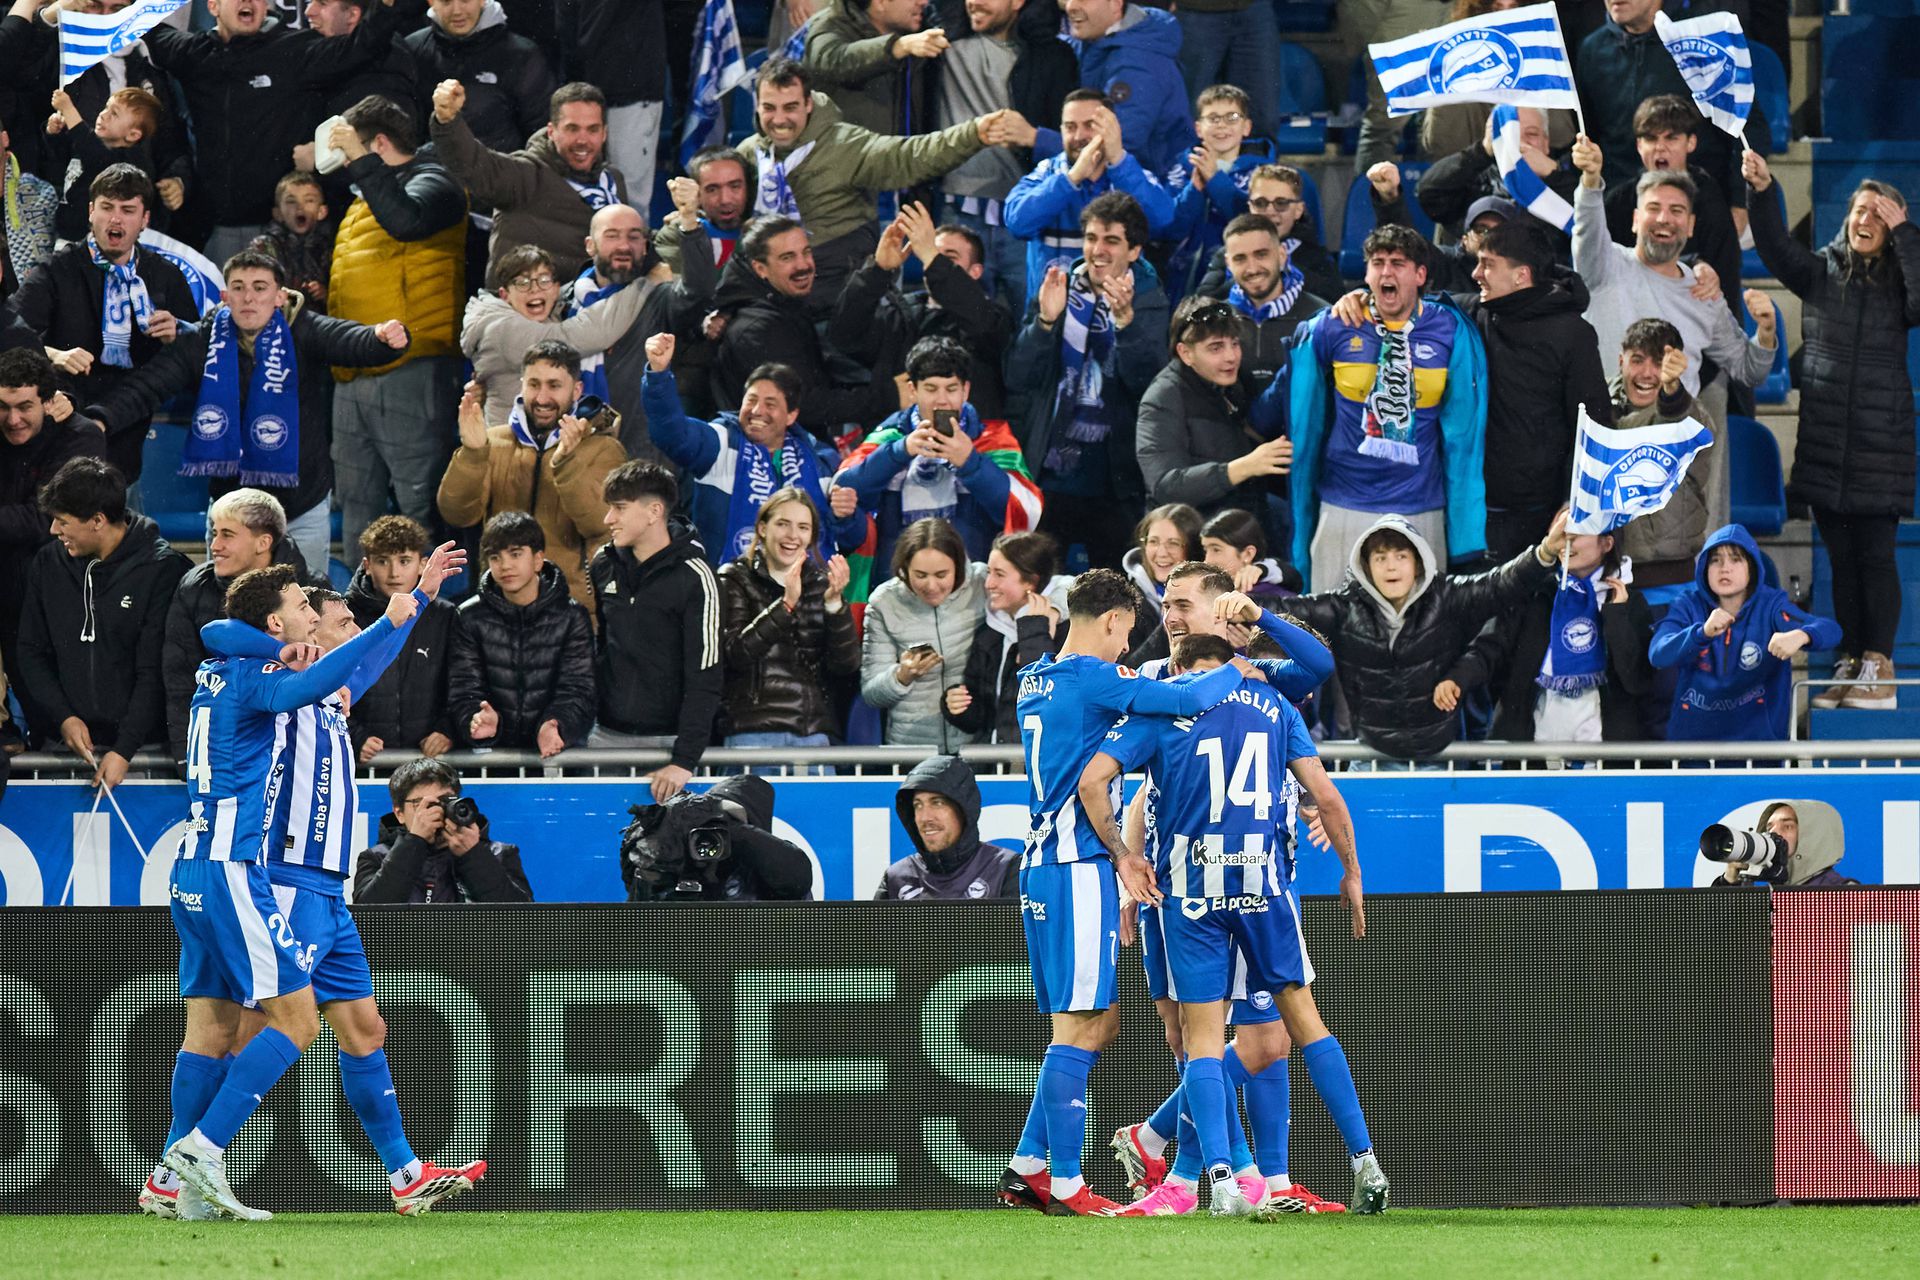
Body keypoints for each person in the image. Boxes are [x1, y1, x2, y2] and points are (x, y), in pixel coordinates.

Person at [181, 548, 487, 1216]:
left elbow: (371, 660)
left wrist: (420, 601)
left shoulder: (324, 686)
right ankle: (191, 1161)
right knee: (261, 1027)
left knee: (365, 1027)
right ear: (303, 628)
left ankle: (404, 1174)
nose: (353, 629)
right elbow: (230, 634)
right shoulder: (281, 681)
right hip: (286, 875)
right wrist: (378, 624)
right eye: (339, 620)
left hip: (329, 885)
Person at [1078, 631, 1384, 1215]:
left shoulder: (1167, 706)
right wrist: (1352, 871)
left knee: (1203, 1041)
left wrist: (1123, 858)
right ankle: (1363, 1162)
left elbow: (1095, 781)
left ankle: (1218, 1180)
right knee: (1305, 1026)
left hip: (1192, 896)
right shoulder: (1274, 705)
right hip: (1265, 892)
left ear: (1182, 668)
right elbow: (1325, 794)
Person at [998, 567, 1247, 1217]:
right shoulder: (1095, 679)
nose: (1126, 646)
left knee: (1096, 1023)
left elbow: (1064, 681)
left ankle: (1028, 1163)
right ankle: (1066, 1183)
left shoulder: (1035, 676)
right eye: (1126, 632)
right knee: (1080, 1028)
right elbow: (1190, 698)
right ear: (1111, 620)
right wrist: (1239, 666)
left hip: (1041, 866)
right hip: (1078, 866)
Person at [83, 246, 411, 578]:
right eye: (238, 288)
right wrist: (100, 418)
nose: (249, 298)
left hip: (302, 504)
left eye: (260, 287)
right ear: (225, 296)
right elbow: (147, 386)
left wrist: (381, 339)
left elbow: (350, 340)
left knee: (306, 602)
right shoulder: (203, 340)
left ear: (280, 296)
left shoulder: (303, 328)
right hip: (232, 511)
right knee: (224, 600)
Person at [1745, 155, 1920, 712]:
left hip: (1880, 446)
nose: (1865, 219)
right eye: (1859, 210)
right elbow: (1775, 248)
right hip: (1824, 444)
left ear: (1892, 227)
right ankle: (1850, 659)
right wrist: (1762, 191)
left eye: (1879, 214)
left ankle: (1879, 667)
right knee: (1841, 561)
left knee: (1876, 557)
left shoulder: (1901, 282)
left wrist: (1907, 234)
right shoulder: (1820, 272)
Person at [1571, 136, 1776, 531]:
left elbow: (1749, 370)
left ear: (1691, 225)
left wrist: (1766, 332)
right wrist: (1591, 182)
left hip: (1671, 469)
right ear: (1635, 219)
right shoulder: (1603, 266)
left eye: (1676, 211)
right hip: (1605, 454)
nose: (1664, 219)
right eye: (1654, 209)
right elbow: (1587, 232)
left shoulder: (1704, 294)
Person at [1287, 224, 1488, 590]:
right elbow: (1301, 406)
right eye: (1377, 263)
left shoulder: (1449, 329)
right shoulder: (1334, 325)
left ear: (1420, 275)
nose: (1386, 272)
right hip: (1343, 501)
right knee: (1329, 621)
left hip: (1420, 504)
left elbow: (1462, 434)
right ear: (1366, 274)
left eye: (1398, 263)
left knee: (1422, 623)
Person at [1274, 511, 1569, 760]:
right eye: (1380, 558)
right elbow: (1287, 610)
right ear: (1366, 567)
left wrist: (1545, 551)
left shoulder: (1446, 596)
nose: (1391, 565)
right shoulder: (1345, 607)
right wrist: (1249, 598)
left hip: (1440, 759)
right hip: (1370, 757)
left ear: (1418, 564)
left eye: (1401, 556)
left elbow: (1500, 584)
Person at [729, 56, 1018, 307]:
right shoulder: (748, 154)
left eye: (790, 107)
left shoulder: (846, 144)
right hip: (771, 291)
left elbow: (911, 156)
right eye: (769, 108)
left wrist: (972, 135)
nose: (779, 119)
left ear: (808, 104)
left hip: (838, 291)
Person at [325, 93, 471, 564]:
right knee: (356, 506)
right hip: (354, 372)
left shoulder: (438, 181)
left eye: (350, 149)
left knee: (419, 505)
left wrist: (361, 160)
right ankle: (356, 606)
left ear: (378, 145)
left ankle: (433, 605)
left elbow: (406, 221)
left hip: (413, 370)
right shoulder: (364, 196)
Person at [142, 0, 402, 261]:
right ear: (213, 7)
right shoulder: (193, 53)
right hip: (211, 230)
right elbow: (146, 31)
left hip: (280, 229)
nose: (248, 2)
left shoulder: (294, 50)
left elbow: (361, 46)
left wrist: (386, 8)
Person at [1007, 191, 1169, 570]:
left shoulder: (1150, 301)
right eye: (1091, 238)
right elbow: (1019, 374)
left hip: (1115, 479)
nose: (1098, 250)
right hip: (1051, 471)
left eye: (1111, 240)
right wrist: (1045, 322)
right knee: (1036, 583)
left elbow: (1148, 386)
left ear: (1134, 251)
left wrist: (1126, 324)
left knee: (1112, 591)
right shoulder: (1058, 288)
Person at [12, 164, 198, 484]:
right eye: (107, 207)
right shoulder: (55, 270)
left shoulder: (166, 275)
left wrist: (178, 332)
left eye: (127, 210)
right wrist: (54, 355)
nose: (116, 219)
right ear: (90, 212)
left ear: (145, 220)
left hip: (129, 423)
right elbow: (10, 338)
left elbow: (195, 353)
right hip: (64, 419)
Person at [15, 456, 187, 785]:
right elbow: (30, 651)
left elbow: (155, 669)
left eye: (63, 522)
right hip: (63, 748)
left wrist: (125, 749)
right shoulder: (48, 563)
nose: (53, 531)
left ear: (97, 520)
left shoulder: (163, 570)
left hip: (144, 753)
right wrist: (64, 717)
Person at [437, 340, 627, 610]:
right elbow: (457, 514)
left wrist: (566, 464)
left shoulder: (604, 449)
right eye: (534, 384)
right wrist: (473, 454)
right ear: (522, 385)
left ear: (577, 390)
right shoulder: (493, 441)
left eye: (554, 386)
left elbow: (600, 525)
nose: (542, 398)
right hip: (498, 606)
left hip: (572, 609)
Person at [837, 334, 1042, 579]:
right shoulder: (891, 437)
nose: (941, 400)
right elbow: (843, 492)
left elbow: (1025, 511)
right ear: (913, 390)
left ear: (965, 390)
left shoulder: (991, 439)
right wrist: (900, 452)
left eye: (951, 389)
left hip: (970, 585)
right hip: (896, 583)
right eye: (931, 389)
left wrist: (970, 463)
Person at [643, 334, 854, 566]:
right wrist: (658, 375)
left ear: (791, 416)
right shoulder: (722, 442)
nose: (757, 410)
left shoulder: (819, 460)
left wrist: (846, 516)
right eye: (751, 400)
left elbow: (851, 537)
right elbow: (672, 433)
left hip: (803, 584)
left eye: (770, 404)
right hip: (726, 581)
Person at [924, 0, 1077, 302]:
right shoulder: (939, 45)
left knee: (1035, 318)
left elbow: (1075, 144)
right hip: (957, 212)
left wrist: (1034, 137)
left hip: (1025, 216)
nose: (974, 2)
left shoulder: (1054, 56)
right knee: (957, 318)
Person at [590, 461, 724, 802]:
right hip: (607, 738)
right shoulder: (603, 564)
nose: (608, 519)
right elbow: (602, 647)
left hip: (672, 747)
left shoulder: (697, 577)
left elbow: (706, 675)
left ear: (654, 511)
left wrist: (684, 759)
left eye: (619, 508)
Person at [1452, 526, 1658, 743]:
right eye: (1561, 532)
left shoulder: (1629, 603)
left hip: (1602, 755)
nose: (1566, 540)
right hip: (1532, 753)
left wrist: (1616, 615)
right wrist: (1456, 678)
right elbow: (1489, 646)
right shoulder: (1535, 594)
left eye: (1578, 533)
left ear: (1607, 544)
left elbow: (1637, 680)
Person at [563, 188, 719, 461]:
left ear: (645, 246)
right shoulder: (563, 302)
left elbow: (698, 292)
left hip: (641, 462)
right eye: (612, 235)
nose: (624, 246)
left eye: (634, 237)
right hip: (571, 457)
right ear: (590, 245)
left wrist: (690, 223)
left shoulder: (659, 299)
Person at [159, 487, 314, 764]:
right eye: (214, 533)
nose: (215, 545)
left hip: (297, 753)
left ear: (263, 542)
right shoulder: (194, 588)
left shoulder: (310, 588)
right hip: (221, 753)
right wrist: (188, 754)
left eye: (227, 535)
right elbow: (180, 680)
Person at [708, 215, 902, 433]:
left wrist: (879, 269)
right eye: (787, 257)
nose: (803, 265)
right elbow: (804, 405)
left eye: (806, 252)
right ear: (760, 269)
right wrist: (889, 396)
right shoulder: (758, 328)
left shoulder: (786, 304)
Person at [1649, 524, 1841, 742]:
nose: (1724, 568)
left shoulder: (1772, 606)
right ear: (1704, 568)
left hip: (1758, 749)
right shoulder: (1688, 605)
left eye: (1735, 559)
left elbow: (1831, 630)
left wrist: (1802, 635)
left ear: (1752, 567)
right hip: (1693, 749)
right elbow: (1658, 654)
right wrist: (1701, 633)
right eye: (1715, 560)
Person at [827, 203, 1016, 418]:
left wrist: (934, 260)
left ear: (976, 271)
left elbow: (982, 323)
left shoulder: (992, 317)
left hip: (970, 436)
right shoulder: (899, 314)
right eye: (929, 254)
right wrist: (877, 271)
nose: (931, 262)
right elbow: (844, 336)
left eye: (948, 258)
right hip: (899, 435)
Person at [430, 79, 628, 281]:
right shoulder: (526, 173)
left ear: (604, 134)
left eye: (592, 129)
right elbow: (475, 164)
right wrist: (447, 121)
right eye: (572, 129)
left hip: (592, 296)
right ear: (551, 131)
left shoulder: (613, 181)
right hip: (527, 298)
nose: (582, 140)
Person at [1575, 0, 1754, 217]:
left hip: (1700, 206)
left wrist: (1740, 203)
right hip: (1618, 207)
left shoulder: (1700, 40)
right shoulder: (1592, 50)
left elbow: (1746, 126)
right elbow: (1589, 134)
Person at [716, 487, 861, 755]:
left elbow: (846, 665)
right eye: (783, 524)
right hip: (751, 730)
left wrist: (835, 605)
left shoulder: (821, 585)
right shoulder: (734, 578)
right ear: (762, 528)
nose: (793, 535)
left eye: (803, 527)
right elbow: (734, 654)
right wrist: (786, 605)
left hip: (812, 733)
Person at [0, 347, 105, 714]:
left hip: (60, 594)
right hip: (8, 588)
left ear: (48, 401)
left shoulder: (80, 437)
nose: (13, 419)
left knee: (56, 710)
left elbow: (48, 519)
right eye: (3, 407)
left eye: (24, 407)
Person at [1136, 296, 1291, 544]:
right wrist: (1244, 467)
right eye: (1216, 347)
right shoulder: (1163, 397)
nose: (1231, 356)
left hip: (1238, 534)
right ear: (1185, 353)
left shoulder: (1236, 382)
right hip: (1189, 544)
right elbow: (1166, 486)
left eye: (1235, 343)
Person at [1001, 90, 1176, 302]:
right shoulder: (1047, 172)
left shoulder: (1130, 173)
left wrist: (1119, 163)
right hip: (1054, 312)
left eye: (1090, 125)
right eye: (1070, 127)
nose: (1078, 137)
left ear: (1112, 128)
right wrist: (1071, 178)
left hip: (1119, 310)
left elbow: (1163, 221)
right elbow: (1017, 223)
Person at [447, 511, 596, 755]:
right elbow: (464, 689)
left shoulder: (572, 616)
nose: (505, 565)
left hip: (556, 756)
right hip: (492, 759)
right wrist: (475, 719)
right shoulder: (468, 616)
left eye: (515, 554)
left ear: (538, 559)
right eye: (495, 557)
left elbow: (579, 690)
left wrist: (556, 725)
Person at [462, 242, 653, 427]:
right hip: (510, 442)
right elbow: (584, 334)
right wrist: (649, 284)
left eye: (544, 280)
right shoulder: (501, 329)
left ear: (555, 288)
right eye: (522, 283)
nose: (534, 289)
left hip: (547, 439)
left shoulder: (548, 312)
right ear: (505, 295)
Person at [859, 516, 988, 749]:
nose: (931, 586)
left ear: (958, 566)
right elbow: (871, 693)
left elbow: (1051, 585)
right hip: (912, 750)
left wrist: (1052, 610)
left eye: (941, 575)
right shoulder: (884, 603)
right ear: (904, 568)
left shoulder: (982, 583)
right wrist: (902, 676)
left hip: (976, 747)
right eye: (920, 575)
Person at [1603, 95, 1742, 309]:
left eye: (1671, 138)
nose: (1660, 147)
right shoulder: (1618, 202)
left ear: (1691, 142)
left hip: (1695, 310)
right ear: (1639, 145)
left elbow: (1725, 274)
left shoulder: (1710, 200)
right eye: (1651, 139)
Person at [343, 515, 458, 763]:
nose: (394, 572)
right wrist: (354, 735)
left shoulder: (445, 616)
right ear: (367, 565)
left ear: (422, 564)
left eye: (404, 561)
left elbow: (461, 680)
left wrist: (447, 729)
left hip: (430, 761)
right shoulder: (343, 615)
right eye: (382, 561)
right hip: (362, 762)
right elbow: (328, 683)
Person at [942, 529, 1067, 744]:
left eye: (999, 574)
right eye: (989, 572)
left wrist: (1034, 633)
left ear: (1031, 582)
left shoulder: (1065, 631)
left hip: (1039, 758)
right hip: (993, 759)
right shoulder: (990, 632)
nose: (988, 583)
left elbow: (1046, 697)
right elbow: (982, 718)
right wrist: (957, 706)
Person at [1610, 320, 1707, 593]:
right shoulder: (1597, 405)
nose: (1647, 373)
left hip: (1672, 583)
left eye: (1659, 363)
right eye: (1638, 360)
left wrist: (1672, 392)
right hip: (1606, 580)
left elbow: (1671, 422)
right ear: (1621, 361)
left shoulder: (1690, 416)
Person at [354, 756, 536, 903]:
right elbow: (369, 918)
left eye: (444, 801)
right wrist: (414, 843)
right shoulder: (375, 858)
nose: (436, 811)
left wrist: (473, 855)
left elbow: (522, 922)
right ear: (399, 813)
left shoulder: (499, 854)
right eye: (421, 804)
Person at [403, 0, 556, 158]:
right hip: (430, 167)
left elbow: (540, 131)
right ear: (431, 2)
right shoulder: (413, 49)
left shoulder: (521, 55)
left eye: (465, 0)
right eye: (446, 1)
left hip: (503, 168)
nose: (457, 11)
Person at [555, 0, 666, 213]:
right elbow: (565, 27)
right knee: (577, 191)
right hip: (581, 92)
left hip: (632, 92)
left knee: (629, 198)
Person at [1058, 0, 1189, 175]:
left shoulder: (1138, 66)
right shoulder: (1104, 36)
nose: (1071, 6)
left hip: (1152, 178)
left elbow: (1116, 145)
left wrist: (1036, 138)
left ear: (1115, 4)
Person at [1414, 106, 1577, 243]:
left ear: (1546, 143)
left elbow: (1584, 222)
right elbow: (1429, 194)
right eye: (1510, 134)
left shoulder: (1565, 179)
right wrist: (1482, 151)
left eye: (1531, 134)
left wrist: (1553, 174)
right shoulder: (1477, 182)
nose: (1520, 143)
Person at [1193, 164, 1344, 308]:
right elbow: (1202, 304)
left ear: (1299, 210)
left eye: (1281, 203)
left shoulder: (1317, 257)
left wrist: (1284, 270)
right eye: (1260, 203)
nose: (1270, 212)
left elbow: (1335, 303)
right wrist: (1244, 276)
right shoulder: (1229, 253)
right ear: (1250, 206)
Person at [874, 753, 1019, 899]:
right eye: (918, 805)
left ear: (964, 809)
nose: (925, 817)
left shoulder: (1005, 869)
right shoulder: (896, 879)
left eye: (937, 803)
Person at [44, 85, 166, 245]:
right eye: (106, 107)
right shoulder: (90, 145)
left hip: (96, 243)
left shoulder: (128, 162)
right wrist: (54, 132)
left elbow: (97, 155)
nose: (103, 114)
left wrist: (69, 110)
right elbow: (61, 156)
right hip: (66, 234)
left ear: (133, 135)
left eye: (114, 113)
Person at [1215, 213, 1327, 387]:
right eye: (1240, 258)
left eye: (1261, 255)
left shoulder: (1320, 318)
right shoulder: (1215, 321)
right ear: (1228, 264)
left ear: (1282, 255)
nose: (1252, 269)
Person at [802, 0, 943, 135]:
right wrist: (896, 47)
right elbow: (834, 60)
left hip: (902, 149)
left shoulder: (921, 28)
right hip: (847, 150)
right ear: (880, 2)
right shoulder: (830, 25)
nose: (923, 2)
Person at [1349, 0, 1451, 174]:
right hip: (1398, 31)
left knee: (1439, 126)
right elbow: (1363, 10)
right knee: (1383, 125)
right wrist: (1379, 40)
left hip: (1449, 23)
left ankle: (1433, 188)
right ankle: (1371, 189)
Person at [1711, 800, 1860, 889]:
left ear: (1814, 836)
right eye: (1769, 828)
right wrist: (1729, 883)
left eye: (1787, 826)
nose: (1773, 833)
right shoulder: (1769, 894)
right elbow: (1718, 931)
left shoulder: (1845, 894)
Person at [1122, 501, 1201, 656]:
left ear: (1193, 548)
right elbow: (1126, 666)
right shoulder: (1127, 600)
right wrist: (1168, 626)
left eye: (1173, 543)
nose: (1162, 553)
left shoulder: (1211, 591)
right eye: (1153, 541)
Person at [249, 172, 336, 313]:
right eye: (291, 201)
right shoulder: (265, 246)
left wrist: (325, 293)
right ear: (278, 213)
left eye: (309, 200)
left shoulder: (330, 246)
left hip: (320, 320)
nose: (300, 207)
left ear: (322, 211)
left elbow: (340, 290)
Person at [654, 146, 751, 269]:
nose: (725, 200)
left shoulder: (765, 235)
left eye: (735, 186)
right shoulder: (676, 235)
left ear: (748, 189)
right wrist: (688, 225)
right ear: (697, 194)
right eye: (712, 189)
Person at [1199, 507, 1297, 603]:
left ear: (1248, 554)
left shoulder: (1277, 601)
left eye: (1216, 550)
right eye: (1205, 550)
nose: (1207, 561)